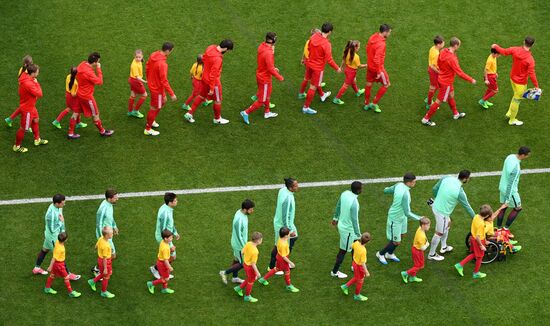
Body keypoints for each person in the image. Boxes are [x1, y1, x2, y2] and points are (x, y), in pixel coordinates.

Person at [422, 37, 476, 126]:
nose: (459, 47)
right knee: (438, 101)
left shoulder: (443, 51)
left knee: (451, 95)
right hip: (446, 82)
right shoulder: (452, 59)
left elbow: (438, 62)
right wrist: (471, 79)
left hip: (442, 79)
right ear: (455, 46)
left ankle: (456, 114)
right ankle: (426, 118)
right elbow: (459, 73)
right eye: (459, 45)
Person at [427, 170, 475, 261]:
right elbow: (467, 207)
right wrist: (476, 218)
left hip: (436, 206)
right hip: (442, 213)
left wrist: (438, 199)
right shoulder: (460, 193)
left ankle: (444, 247)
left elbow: (434, 189)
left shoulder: (446, 177)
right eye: (468, 178)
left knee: (448, 223)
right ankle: (431, 254)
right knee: (439, 233)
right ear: (465, 179)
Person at [492, 37, 540, 126]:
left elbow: (504, 51)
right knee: (517, 100)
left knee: (515, 96)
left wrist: (496, 46)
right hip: (521, 83)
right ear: (532, 45)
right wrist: (536, 86)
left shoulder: (515, 49)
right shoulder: (530, 60)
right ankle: (512, 120)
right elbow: (532, 74)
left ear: (523, 42)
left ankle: (509, 112)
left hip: (512, 78)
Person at [376, 173, 422, 265]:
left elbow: (389, 190)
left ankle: (389, 254)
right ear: (409, 183)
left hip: (402, 217)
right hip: (395, 218)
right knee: (396, 241)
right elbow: (407, 212)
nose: (415, 183)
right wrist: (420, 218)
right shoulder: (405, 194)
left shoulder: (399, 185)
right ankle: (380, 254)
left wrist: (385, 190)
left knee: (402, 235)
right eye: (414, 181)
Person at [184, 39, 234, 124]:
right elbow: (213, 75)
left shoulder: (210, 47)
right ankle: (217, 119)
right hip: (214, 83)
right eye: (228, 50)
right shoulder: (218, 59)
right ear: (225, 48)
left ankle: (189, 113)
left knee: (201, 96)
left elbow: (203, 58)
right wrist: (211, 88)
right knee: (218, 100)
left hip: (204, 78)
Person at [240, 32, 284, 125]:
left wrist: (272, 66)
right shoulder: (268, 52)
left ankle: (267, 112)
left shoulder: (262, 46)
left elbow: (268, 64)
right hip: (264, 78)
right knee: (261, 101)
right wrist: (279, 77)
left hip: (262, 74)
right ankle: (245, 112)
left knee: (268, 92)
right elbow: (270, 68)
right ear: (272, 40)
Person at [33, 194, 80, 280]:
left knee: (44, 250)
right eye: (62, 203)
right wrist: (61, 222)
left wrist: (63, 230)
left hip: (51, 235)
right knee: (60, 255)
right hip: (52, 237)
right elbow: (52, 229)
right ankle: (68, 274)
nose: (64, 205)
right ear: (57, 203)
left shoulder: (59, 207)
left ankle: (36, 268)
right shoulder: (50, 215)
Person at [68, 52, 113, 139]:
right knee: (96, 114)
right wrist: (99, 69)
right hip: (87, 97)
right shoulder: (89, 73)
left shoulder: (82, 64)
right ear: (95, 62)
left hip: (79, 94)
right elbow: (100, 82)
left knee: (75, 113)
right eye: (98, 62)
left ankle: (70, 133)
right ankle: (102, 132)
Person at [454, 204, 507, 279]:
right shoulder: (482, 224)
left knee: (475, 254)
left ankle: (460, 265)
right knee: (479, 257)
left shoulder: (476, 216)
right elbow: (478, 237)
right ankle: (476, 273)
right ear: (487, 215)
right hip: (478, 241)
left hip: (472, 238)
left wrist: (501, 208)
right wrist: (481, 245)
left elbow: (479, 233)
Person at [301, 22, 342, 115]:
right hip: (318, 68)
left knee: (312, 82)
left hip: (309, 64)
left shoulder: (313, 37)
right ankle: (306, 107)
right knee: (312, 87)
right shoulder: (326, 44)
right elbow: (330, 60)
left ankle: (322, 95)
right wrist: (337, 68)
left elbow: (308, 48)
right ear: (330, 32)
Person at [331, 181, 363, 279]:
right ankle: (334, 271)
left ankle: (354, 265)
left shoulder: (344, 193)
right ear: (358, 190)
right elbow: (355, 220)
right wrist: (358, 234)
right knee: (343, 250)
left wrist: (335, 218)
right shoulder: (354, 203)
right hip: (348, 230)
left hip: (342, 225)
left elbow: (338, 206)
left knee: (355, 245)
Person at [12, 63, 48, 153]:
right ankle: (17, 146)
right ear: (33, 73)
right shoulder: (29, 84)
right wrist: (37, 83)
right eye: (37, 72)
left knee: (36, 120)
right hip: (27, 109)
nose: (38, 74)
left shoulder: (25, 75)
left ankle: (37, 139)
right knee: (23, 128)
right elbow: (40, 94)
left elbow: (24, 69)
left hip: (30, 106)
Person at [144, 42, 177, 136]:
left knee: (163, 101)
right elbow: (164, 81)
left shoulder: (154, 54)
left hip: (154, 86)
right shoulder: (163, 64)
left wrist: (148, 78)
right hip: (157, 89)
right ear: (167, 51)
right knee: (155, 107)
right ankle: (148, 128)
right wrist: (172, 94)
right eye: (171, 51)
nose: (171, 53)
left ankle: (151, 120)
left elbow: (147, 66)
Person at [219, 199, 255, 285]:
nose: (252, 211)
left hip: (237, 242)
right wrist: (245, 247)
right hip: (239, 245)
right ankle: (224, 272)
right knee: (243, 263)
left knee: (236, 259)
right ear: (245, 209)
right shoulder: (239, 220)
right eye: (251, 209)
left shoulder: (240, 212)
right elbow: (239, 236)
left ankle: (235, 278)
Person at [496, 146, 530, 235]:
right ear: (522, 155)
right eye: (527, 155)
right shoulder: (516, 168)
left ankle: (498, 229)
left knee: (503, 207)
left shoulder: (510, 156)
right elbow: (511, 185)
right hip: (510, 191)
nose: (527, 157)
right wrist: (508, 198)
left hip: (502, 186)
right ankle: (505, 229)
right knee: (518, 208)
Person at [269, 178, 299, 273]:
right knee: (280, 246)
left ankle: (282, 262)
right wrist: (289, 230)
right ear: (290, 187)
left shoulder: (283, 190)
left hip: (281, 222)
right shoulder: (288, 199)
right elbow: (285, 216)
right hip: (283, 225)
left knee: (288, 242)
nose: (298, 186)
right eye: (295, 185)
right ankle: (274, 266)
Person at [258, 227, 299, 292]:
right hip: (283, 259)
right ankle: (289, 286)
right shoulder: (283, 244)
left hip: (278, 256)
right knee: (287, 271)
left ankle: (263, 279)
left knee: (276, 269)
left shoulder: (280, 239)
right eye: (289, 234)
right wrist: (290, 263)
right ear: (285, 236)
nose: (289, 234)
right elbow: (284, 256)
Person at [150, 192, 180, 279]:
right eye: (175, 200)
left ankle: (160, 269)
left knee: (170, 256)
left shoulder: (167, 208)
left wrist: (175, 233)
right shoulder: (164, 213)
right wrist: (167, 244)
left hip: (167, 236)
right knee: (172, 256)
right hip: (164, 238)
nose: (176, 201)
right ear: (170, 202)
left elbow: (170, 224)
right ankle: (157, 269)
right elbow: (163, 230)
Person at [364, 24, 392, 113]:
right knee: (386, 84)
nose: (389, 34)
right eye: (389, 32)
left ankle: (366, 104)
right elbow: (377, 59)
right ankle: (374, 103)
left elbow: (367, 49)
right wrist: (379, 71)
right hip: (377, 68)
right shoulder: (381, 44)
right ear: (385, 32)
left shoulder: (372, 37)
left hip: (369, 66)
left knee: (369, 84)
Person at [43, 232, 81, 298]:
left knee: (52, 275)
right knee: (66, 277)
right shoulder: (60, 249)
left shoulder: (57, 242)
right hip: (60, 265)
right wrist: (50, 266)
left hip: (56, 264)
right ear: (65, 240)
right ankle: (70, 292)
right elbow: (54, 258)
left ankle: (47, 288)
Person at [92, 189, 119, 275]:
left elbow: (110, 217)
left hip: (108, 233)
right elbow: (98, 224)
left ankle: (99, 267)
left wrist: (114, 226)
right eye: (115, 197)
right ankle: (98, 269)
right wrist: (103, 238)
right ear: (109, 198)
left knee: (110, 255)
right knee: (111, 255)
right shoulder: (103, 208)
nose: (117, 199)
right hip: (104, 235)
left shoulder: (110, 205)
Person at [332, 40, 367, 105]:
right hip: (352, 72)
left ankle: (357, 92)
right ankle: (336, 99)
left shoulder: (347, 51)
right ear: (355, 48)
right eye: (359, 46)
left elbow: (343, 60)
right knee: (345, 86)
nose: (359, 48)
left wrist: (341, 67)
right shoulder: (356, 57)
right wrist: (366, 65)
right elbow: (359, 66)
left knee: (353, 81)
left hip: (347, 69)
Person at [340, 232, 371, 302]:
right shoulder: (363, 250)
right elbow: (363, 263)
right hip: (359, 266)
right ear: (368, 242)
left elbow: (351, 246)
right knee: (360, 280)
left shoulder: (356, 243)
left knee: (357, 277)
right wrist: (366, 272)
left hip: (354, 263)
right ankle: (357, 295)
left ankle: (345, 286)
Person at [234, 232, 263, 303]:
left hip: (245, 264)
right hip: (250, 267)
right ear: (258, 240)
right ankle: (247, 296)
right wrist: (257, 273)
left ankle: (238, 288)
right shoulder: (255, 251)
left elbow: (242, 252)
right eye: (261, 239)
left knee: (250, 278)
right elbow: (253, 264)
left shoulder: (248, 243)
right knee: (251, 281)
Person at [298, 28, 327, 99]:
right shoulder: (315, 44)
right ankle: (321, 94)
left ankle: (301, 93)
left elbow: (305, 50)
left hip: (307, 61)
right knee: (314, 79)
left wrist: (303, 58)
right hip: (312, 62)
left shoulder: (308, 41)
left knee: (306, 78)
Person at [4, 55, 33, 127]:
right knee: (28, 108)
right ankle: (27, 125)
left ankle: (10, 119)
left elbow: (19, 79)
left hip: (22, 90)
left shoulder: (22, 69)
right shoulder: (28, 71)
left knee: (24, 107)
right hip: (26, 91)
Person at [87, 226, 115, 298]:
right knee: (106, 277)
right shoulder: (106, 246)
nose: (112, 234)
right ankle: (104, 292)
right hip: (105, 262)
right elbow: (105, 258)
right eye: (111, 234)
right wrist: (106, 268)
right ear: (106, 235)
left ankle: (92, 281)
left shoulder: (101, 238)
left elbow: (96, 246)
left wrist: (97, 249)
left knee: (104, 273)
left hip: (100, 260)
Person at [401, 217, 430, 284]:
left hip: (418, 250)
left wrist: (422, 218)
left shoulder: (420, 228)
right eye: (428, 225)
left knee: (421, 265)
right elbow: (423, 248)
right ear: (423, 225)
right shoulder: (421, 236)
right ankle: (405, 273)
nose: (429, 227)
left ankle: (412, 277)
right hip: (417, 251)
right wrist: (427, 244)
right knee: (418, 266)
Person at [147, 229, 176, 294]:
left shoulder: (163, 242)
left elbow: (164, 254)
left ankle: (164, 289)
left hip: (160, 262)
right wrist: (169, 267)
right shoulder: (165, 248)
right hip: (163, 264)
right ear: (166, 238)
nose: (172, 238)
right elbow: (165, 260)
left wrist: (171, 250)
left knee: (164, 277)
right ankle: (151, 284)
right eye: (170, 237)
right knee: (166, 279)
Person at [425, 36, 445, 109]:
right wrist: (440, 73)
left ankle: (429, 99)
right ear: (438, 44)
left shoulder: (432, 48)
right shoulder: (436, 54)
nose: (444, 44)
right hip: (433, 71)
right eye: (443, 43)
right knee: (433, 87)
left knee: (436, 86)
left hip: (431, 69)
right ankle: (429, 103)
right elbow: (433, 66)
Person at [128, 49, 148, 119]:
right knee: (145, 95)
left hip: (131, 79)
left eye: (139, 57)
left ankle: (130, 111)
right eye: (136, 57)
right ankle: (135, 111)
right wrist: (145, 81)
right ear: (134, 56)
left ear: (142, 56)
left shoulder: (137, 60)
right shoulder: (134, 65)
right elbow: (137, 77)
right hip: (136, 81)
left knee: (133, 95)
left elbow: (140, 60)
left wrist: (142, 60)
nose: (138, 58)